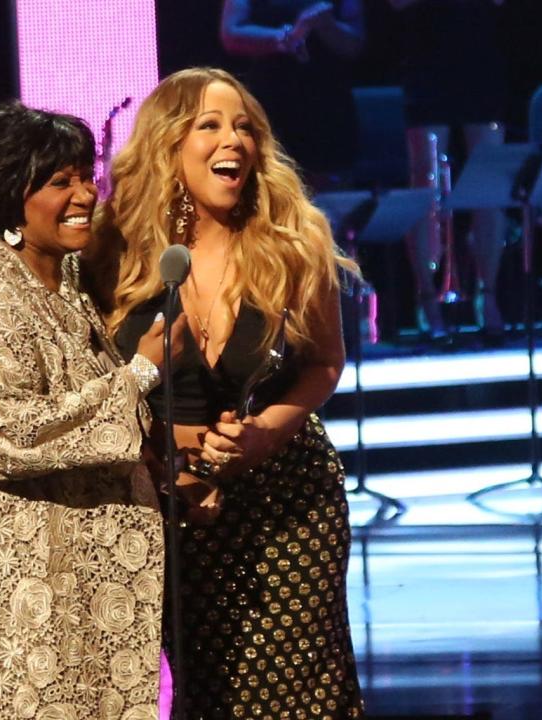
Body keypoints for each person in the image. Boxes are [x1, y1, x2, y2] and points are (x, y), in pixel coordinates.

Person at [94, 67, 364, 720]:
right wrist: (170, 450)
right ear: (168, 143)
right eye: (210, 125)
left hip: (288, 497)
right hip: (168, 498)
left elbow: (325, 363)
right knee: (214, 691)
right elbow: (91, 387)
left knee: (306, 692)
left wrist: (267, 431)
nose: (232, 141)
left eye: (244, 126)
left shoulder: (294, 240)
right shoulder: (115, 248)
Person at [0, 100, 186, 719]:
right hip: (2, 572)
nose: (85, 192)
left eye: (86, 174)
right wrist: (138, 373)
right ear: (12, 197)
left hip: (67, 570)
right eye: (60, 181)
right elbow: (3, 426)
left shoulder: (68, 277)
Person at [390, 0, 509, 341]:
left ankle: (488, 295)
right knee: (426, 182)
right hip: (426, 61)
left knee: (490, 182)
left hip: (480, 56)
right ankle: (428, 296)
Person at [220, 0, 365, 189]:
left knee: (329, 196)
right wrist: (287, 37)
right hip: (270, 102)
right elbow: (231, 34)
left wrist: (327, 25)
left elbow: (354, 45)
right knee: (269, 189)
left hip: (327, 105)